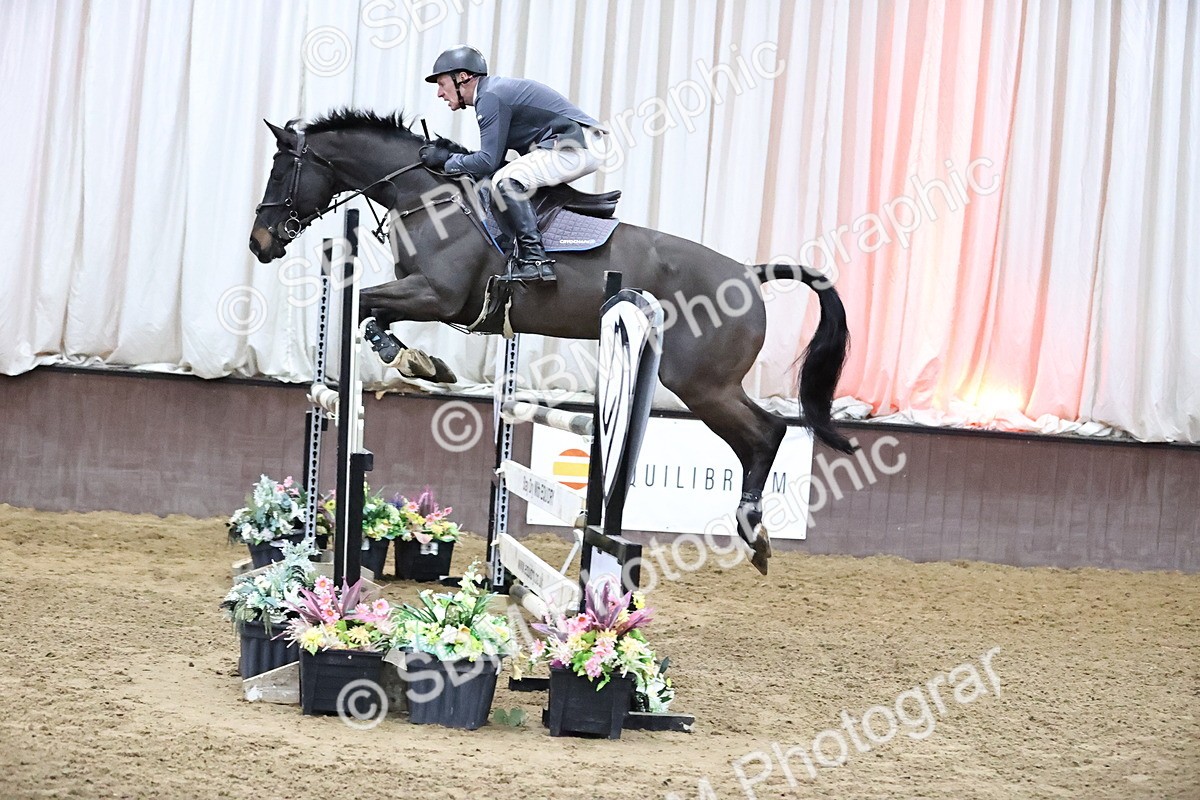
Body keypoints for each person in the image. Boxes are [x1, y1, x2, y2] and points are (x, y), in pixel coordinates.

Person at [419, 46, 607, 283]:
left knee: (506, 180)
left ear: (463, 77)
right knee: (505, 175)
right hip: (574, 143)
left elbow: (487, 162)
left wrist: (448, 161)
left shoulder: (489, 97)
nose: (439, 93)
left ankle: (534, 260)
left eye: (442, 83)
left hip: (578, 144)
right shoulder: (490, 94)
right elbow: (493, 161)